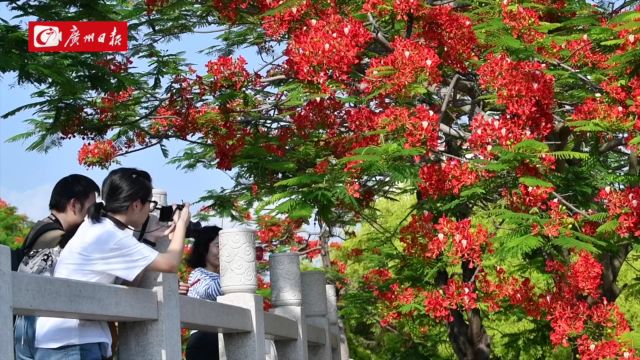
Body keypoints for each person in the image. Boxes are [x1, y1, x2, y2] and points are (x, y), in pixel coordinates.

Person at [34, 167, 191, 360]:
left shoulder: (98, 226)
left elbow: (130, 285)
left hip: (70, 339)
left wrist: (148, 239)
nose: (150, 210)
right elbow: (170, 264)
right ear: (136, 204)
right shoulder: (110, 235)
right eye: (149, 204)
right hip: (73, 343)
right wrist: (182, 223)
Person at [14, 174, 99, 360]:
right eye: (92, 208)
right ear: (74, 204)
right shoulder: (57, 238)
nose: (94, 215)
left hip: (26, 327)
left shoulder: (41, 227)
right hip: (46, 332)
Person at [185, 225, 223, 360]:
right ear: (204, 247)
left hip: (223, 338)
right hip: (204, 341)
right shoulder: (198, 274)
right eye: (219, 246)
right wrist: (233, 269)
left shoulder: (222, 276)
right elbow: (211, 292)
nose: (224, 251)